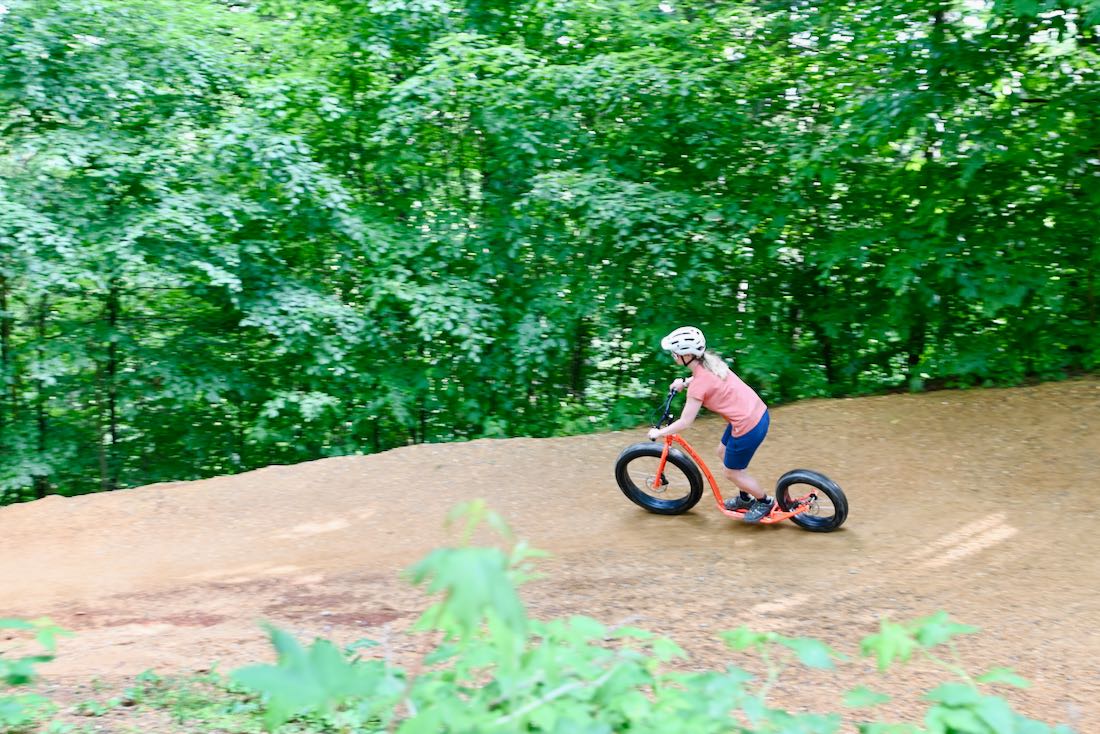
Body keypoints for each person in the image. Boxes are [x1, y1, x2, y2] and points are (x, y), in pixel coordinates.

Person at [646, 326, 774, 523]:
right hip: (756, 413)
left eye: (675, 352)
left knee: (731, 472)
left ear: (687, 355)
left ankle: (764, 501)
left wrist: (659, 432)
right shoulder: (711, 362)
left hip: (748, 425)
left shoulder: (699, 386)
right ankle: (745, 498)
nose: (673, 355)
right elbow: (704, 379)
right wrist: (684, 382)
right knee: (723, 453)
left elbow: (685, 422)